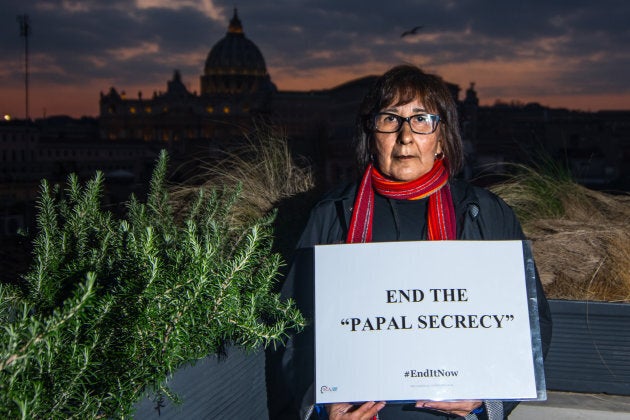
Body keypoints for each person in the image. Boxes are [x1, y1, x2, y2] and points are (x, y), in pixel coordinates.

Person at [280, 64, 553, 420]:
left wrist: (489, 398)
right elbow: (290, 326)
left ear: (442, 138)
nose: (405, 136)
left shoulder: (486, 213)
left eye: (422, 119)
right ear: (371, 134)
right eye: (390, 119)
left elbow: (533, 323)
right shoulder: (331, 215)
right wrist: (321, 403)